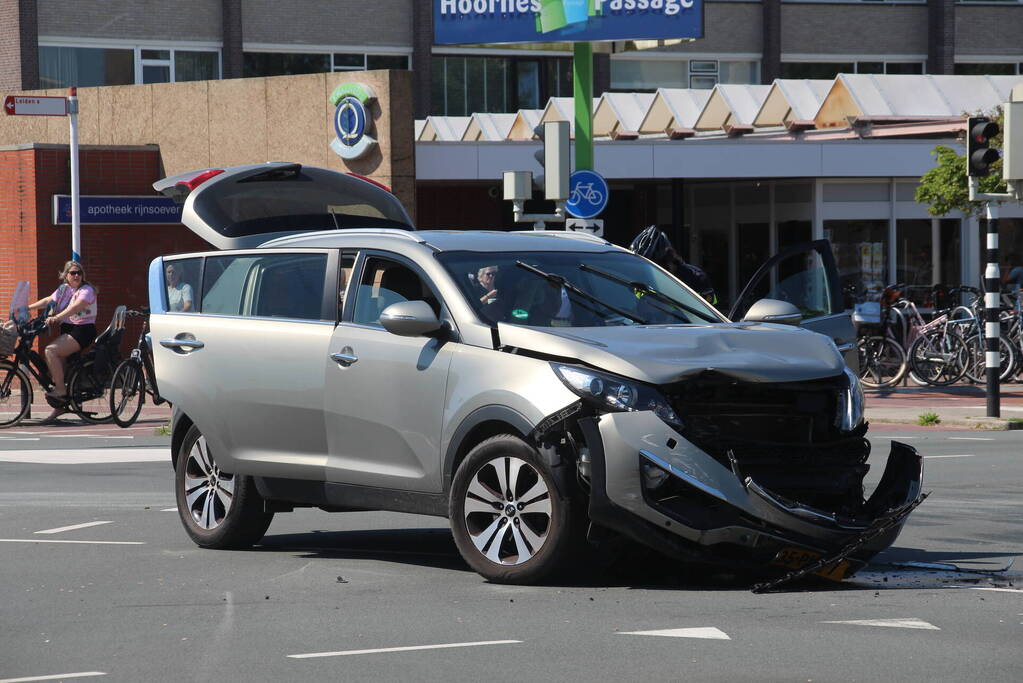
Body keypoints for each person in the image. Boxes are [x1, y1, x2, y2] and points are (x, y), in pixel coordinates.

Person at [27, 260, 98, 423]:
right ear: (66, 275)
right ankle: (59, 406)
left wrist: (57, 317)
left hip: (83, 331)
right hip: (68, 330)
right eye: (73, 273)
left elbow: (75, 308)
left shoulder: (86, 290)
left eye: (79, 273)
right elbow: (49, 301)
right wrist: (28, 308)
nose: (76, 276)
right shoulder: (64, 289)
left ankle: (60, 390)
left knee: (51, 350)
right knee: (61, 370)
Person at [630, 226, 718, 305]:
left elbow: (710, 313)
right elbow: (638, 309)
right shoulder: (643, 281)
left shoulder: (696, 277)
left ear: (670, 259)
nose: (652, 273)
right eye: (646, 268)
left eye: (656, 266)